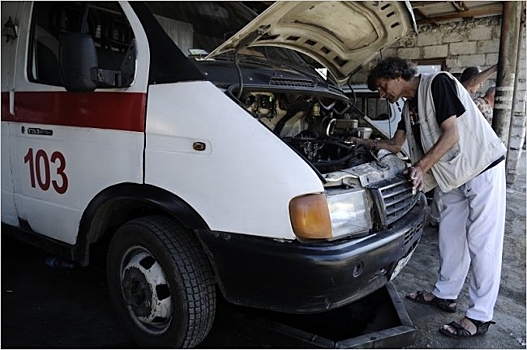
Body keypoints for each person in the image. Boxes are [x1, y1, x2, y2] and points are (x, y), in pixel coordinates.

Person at [352, 57, 506, 339]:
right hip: (453, 175)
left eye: (383, 86)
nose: (382, 94)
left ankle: (480, 316)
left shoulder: (439, 83)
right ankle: (445, 295)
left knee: (483, 242)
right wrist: (366, 143)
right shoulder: (409, 106)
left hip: (480, 167)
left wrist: (421, 167)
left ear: (398, 74)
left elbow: (451, 135)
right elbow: (396, 144)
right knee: (450, 236)